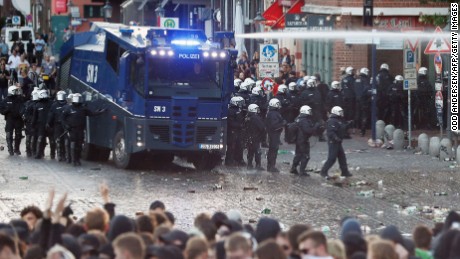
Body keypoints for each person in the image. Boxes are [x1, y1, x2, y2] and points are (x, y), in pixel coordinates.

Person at [62, 93, 106, 166]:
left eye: (78, 99)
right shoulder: (68, 108)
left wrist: (100, 112)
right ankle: (73, 160)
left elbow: (92, 113)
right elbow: (63, 118)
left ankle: (77, 159)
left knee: (79, 145)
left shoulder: (83, 108)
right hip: (72, 129)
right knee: (73, 143)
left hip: (80, 129)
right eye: (76, 99)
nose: (77, 101)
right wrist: (66, 126)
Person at [320, 106, 353, 180]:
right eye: (340, 112)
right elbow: (331, 132)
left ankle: (345, 172)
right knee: (332, 158)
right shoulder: (332, 121)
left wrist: (348, 124)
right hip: (333, 142)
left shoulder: (338, 120)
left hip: (338, 141)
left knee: (342, 157)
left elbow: (341, 128)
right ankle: (323, 171)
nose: (342, 113)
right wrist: (336, 138)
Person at [290, 105, 317, 176]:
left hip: (298, 140)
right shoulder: (304, 120)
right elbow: (308, 131)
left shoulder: (298, 118)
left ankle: (293, 168)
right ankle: (302, 171)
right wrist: (315, 127)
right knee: (305, 155)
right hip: (303, 140)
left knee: (298, 155)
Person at [0, 85, 25, 155]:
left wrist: (22, 113)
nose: (17, 92)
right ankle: (10, 149)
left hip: (18, 119)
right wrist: (6, 110)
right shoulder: (6, 100)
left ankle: (16, 149)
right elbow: (1, 110)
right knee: (8, 134)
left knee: (18, 135)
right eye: (15, 91)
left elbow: (24, 106)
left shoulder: (20, 99)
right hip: (9, 119)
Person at [32, 89, 54, 159]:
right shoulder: (38, 105)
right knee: (40, 139)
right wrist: (33, 124)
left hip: (50, 124)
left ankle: (52, 154)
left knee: (52, 140)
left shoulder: (51, 103)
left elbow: (54, 113)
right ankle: (39, 153)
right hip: (41, 125)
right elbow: (35, 116)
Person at [265, 98, 286, 173]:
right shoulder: (274, 114)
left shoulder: (272, 113)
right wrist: (283, 123)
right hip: (274, 134)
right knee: (273, 150)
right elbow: (275, 126)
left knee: (272, 150)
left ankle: (270, 166)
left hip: (273, 134)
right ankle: (271, 166)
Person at [225, 96, 246, 166]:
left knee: (239, 145)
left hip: (238, 131)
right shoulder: (230, 111)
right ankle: (229, 161)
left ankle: (238, 160)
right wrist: (239, 125)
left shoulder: (239, 110)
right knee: (231, 146)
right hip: (232, 131)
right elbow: (230, 122)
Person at [47, 91, 68, 162]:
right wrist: (49, 123)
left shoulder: (56, 105)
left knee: (62, 140)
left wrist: (49, 123)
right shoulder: (56, 105)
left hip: (63, 125)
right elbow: (51, 115)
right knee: (60, 140)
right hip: (59, 124)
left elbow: (51, 115)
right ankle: (61, 155)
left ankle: (62, 155)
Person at [246, 104, 266, 171]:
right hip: (256, 137)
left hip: (249, 137)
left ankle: (249, 164)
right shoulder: (256, 118)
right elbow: (262, 127)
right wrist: (263, 137)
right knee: (257, 151)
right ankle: (258, 165)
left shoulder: (248, 117)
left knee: (250, 151)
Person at [22, 88, 39, 157]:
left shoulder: (29, 103)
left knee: (32, 137)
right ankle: (30, 150)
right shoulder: (29, 103)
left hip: (33, 122)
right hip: (30, 122)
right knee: (30, 137)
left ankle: (31, 150)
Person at [354, 68, 370, 136]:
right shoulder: (365, 80)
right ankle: (362, 130)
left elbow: (354, 88)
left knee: (358, 114)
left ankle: (357, 128)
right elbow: (367, 89)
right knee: (364, 115)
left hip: (357, 99)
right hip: (363, 99)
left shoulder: (356, 79)